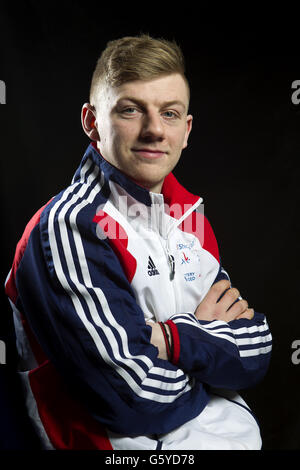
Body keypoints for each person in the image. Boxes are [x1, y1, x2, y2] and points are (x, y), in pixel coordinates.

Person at [5, 35, 272, 450]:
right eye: (130, 110)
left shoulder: (189, 219)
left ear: (185, 131)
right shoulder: (70, 225)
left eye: (169, 113)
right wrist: (211, 355)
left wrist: (168, 339)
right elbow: (130, 396)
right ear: (92, 122)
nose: (153, 130)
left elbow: (256, 350)